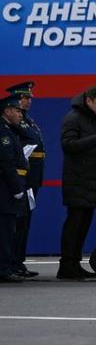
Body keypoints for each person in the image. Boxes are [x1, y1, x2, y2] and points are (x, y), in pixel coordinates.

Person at [58, 86, 96, 280]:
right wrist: (93, 139)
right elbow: (67, 145)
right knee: (74, 224)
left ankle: (74, 264)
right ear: (89, 101)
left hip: (92, 180)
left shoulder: (95, 120)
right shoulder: (73, 118)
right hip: (77, 180)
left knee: (83, 224)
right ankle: (66, 265)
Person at [6, 82, 44, 278]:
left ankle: (18, 261)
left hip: (32, 176)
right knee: (16, 222)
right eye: (25, 98)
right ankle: (11, 262)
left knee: (24, 222)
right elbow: (31, 140)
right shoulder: (15, 124)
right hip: (20, 177)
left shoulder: (28, 121)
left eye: (30, 98)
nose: (28, 101)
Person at [0, 94, 31, 283]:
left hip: (11, 186)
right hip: (6, 189)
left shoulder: (10, 130)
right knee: (5, 230)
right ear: (7, 111)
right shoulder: (3, 133)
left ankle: (8, 265)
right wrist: (17, 188)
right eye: (17, 110)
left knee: (9, 229)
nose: (21, 114)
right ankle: (4, 268)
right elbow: (6, 163)